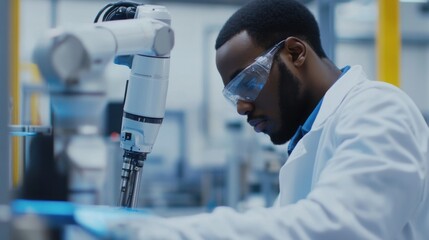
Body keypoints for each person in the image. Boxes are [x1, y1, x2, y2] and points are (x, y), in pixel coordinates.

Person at [111, 0, 429, 239]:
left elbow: (338, 229)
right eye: (234, 95)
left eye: (247, 82)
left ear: (295, 53)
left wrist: (158, 233)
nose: (242, 107)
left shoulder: (378, 109)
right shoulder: (308, 142)